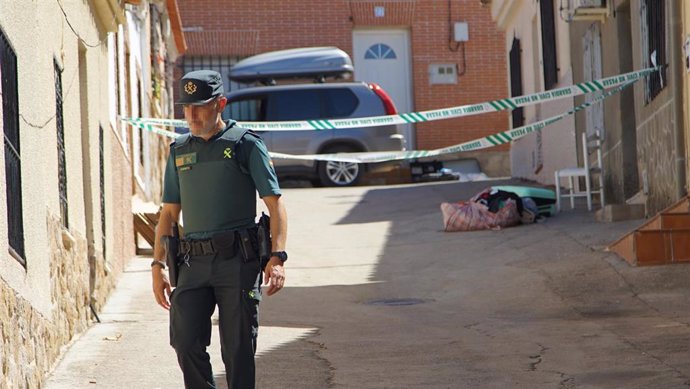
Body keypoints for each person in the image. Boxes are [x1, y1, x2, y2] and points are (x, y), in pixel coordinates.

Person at [151, 70, 288, 389]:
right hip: (192, 265)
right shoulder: (179, 150)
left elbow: (276, 205)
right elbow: (169, 214)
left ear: (221, 104)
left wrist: (277, 257)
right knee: (185, 342)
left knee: (238, 351)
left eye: (199, 106)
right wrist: (157, 265)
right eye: (186, 108)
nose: (192, 115)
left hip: (237, 263)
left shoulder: (246, 145)